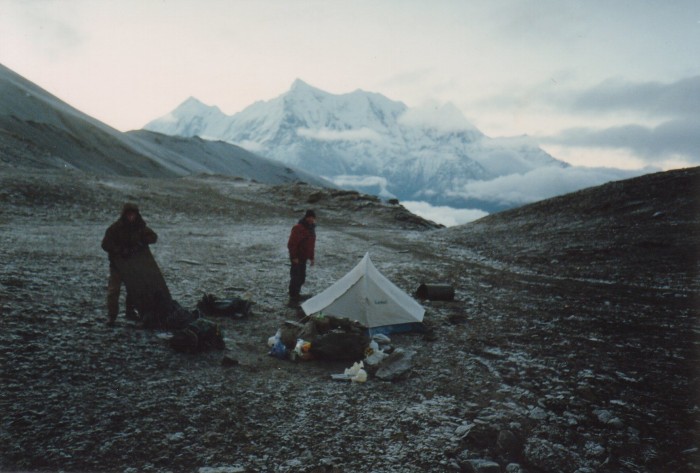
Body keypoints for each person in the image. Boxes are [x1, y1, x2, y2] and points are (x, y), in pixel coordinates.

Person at [101, 203, 158, 326]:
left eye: (133, 214)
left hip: (133, 266)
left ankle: (130, 312)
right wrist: (120, 250)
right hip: (118, 265)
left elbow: (153, 237)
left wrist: (141, 242)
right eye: (129, 214)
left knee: (134, 290)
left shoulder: (140, 227)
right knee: (113, 291)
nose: (131, 217)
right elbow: (105, 244)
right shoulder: (115, 228)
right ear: (124, 214)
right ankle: (112, 316)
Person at [287, 209, 316, 305]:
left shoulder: (311, 229)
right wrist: (294, 256)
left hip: (304, 257)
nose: (312, 219)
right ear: (306, 217)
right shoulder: (298, 228)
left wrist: (311, 257)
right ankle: (293, 296)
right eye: (310, 217)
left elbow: (311, 245)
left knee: (302, 277)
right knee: (295, 277)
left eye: (313, 218)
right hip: (297, 257)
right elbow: (292, 244)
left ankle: (296, 294)